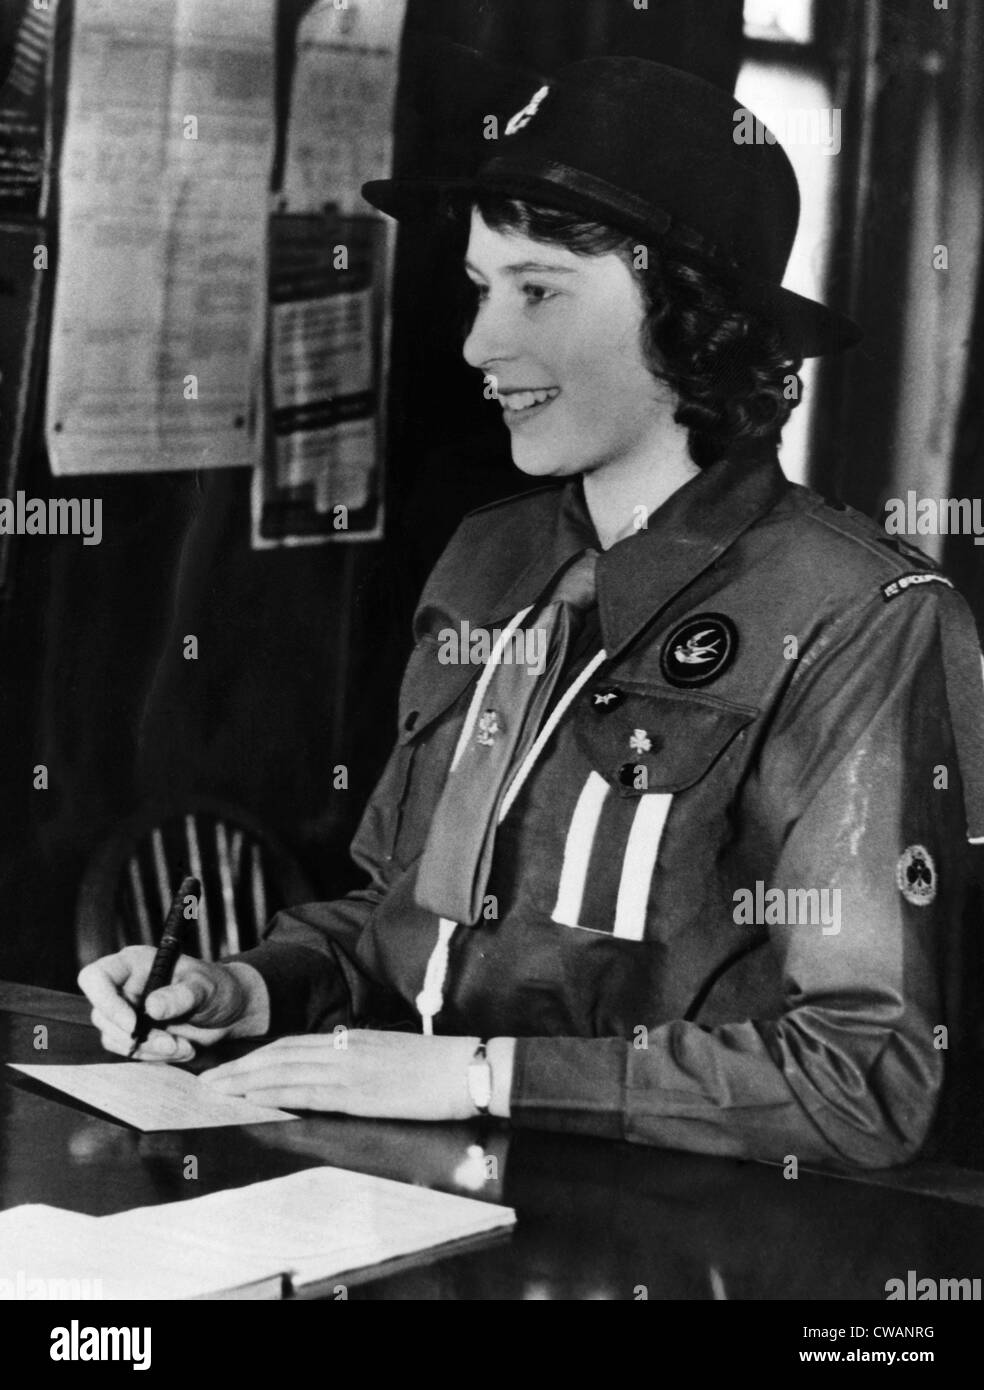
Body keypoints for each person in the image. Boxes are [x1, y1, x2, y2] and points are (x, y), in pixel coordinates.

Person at [79, 58, 984, 1169]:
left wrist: (484, 1077)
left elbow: (865, 1079)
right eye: (479, 286)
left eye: (539, 291)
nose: (478, 345)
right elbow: (397, 916)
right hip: (403, 1198)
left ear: (689, 321)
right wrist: (251, 986)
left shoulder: (863, 617)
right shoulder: (489, 557)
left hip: (671, 1241)